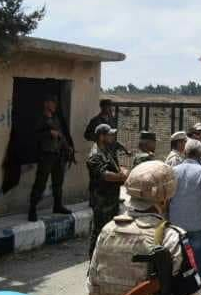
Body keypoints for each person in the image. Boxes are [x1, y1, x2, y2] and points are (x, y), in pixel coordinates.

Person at [87, 161, 201, 295]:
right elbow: (193, 290)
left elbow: (92, 284)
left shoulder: (107, 231)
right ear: (164, 200)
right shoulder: (171, 236)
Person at [169, 139, 201, 279]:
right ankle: (197, 289)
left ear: (185, 152)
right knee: (196, 262)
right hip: (198, 224)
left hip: (176, 225)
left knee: (176, 261)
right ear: (200, 154)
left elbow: (167, 198)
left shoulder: (173, 171)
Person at [29, 93, 75, 222]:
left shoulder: (55, 119)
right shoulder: (40, 119)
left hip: (57, 155)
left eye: (55, 103)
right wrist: (48, 132)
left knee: (58, 183)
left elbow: (61, 135)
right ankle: (32, 209)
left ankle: (57, 206)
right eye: (52, 102)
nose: (55, 105)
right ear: (46, 103)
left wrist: (68, 147)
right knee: (40, 183)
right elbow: (34, 136)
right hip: (46, 155)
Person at [86, 124, 128, 257]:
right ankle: (93, 260)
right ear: (101, 136)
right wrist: (122, 177)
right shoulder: (95, 155)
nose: (112, 136)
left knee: (109, 232)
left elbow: (114, 168)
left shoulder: (107, 150)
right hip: (101, 201)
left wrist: (122, 173)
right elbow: (105, 175)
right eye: (109, 134)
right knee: (99, 231)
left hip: (111, 199)